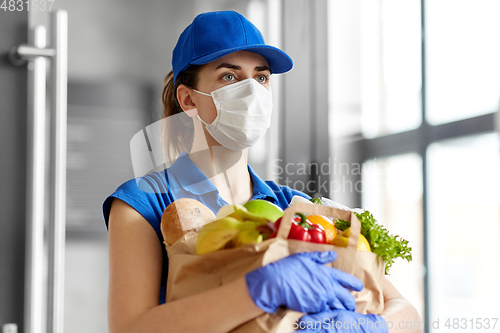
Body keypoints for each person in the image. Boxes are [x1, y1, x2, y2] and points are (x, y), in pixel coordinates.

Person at [103, 10, 422, 333]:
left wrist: (369, 326)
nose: (252, 91)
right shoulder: (143, 203)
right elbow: (129, 327)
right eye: (229, 76)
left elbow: (408, 315)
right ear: (188, 100)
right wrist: (256, 292)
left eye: (261, 77)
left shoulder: (296, 207)